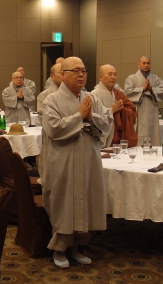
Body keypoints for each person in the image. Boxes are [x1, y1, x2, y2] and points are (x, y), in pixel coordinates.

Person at [41, 57, 113, 269]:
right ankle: (59, 248)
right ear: (63, 75)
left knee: (86, 201)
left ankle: (77, 246)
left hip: (88, 158)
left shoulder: (91, 97)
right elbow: (53, 129)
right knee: (65, 202)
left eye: (84, 71)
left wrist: (89, 117)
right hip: (64, 160)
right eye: (76, 71)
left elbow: (106, 121)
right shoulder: (51, 100)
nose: (82, 74)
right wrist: (79, 116)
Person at [124, 56, 163, 145]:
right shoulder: (131, 78)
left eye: (148, 63)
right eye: (143, 63)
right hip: (137, 110)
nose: (146, 65)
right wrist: (142, 89)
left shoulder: (155, 78)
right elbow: (127, 93)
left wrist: (152, 89)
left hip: (151, 111)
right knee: (138, 133)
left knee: (152, 133)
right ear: (138, 64)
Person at [92, 64, 137, 148]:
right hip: (103, 137)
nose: (113, 77)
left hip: (117, 135)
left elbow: (132, 109)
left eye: (115, 75)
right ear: (101, 76)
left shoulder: (118, 93)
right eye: (110, 74)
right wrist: (111, 110)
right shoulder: (94, 94)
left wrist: (122, 110)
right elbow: (93, 118)